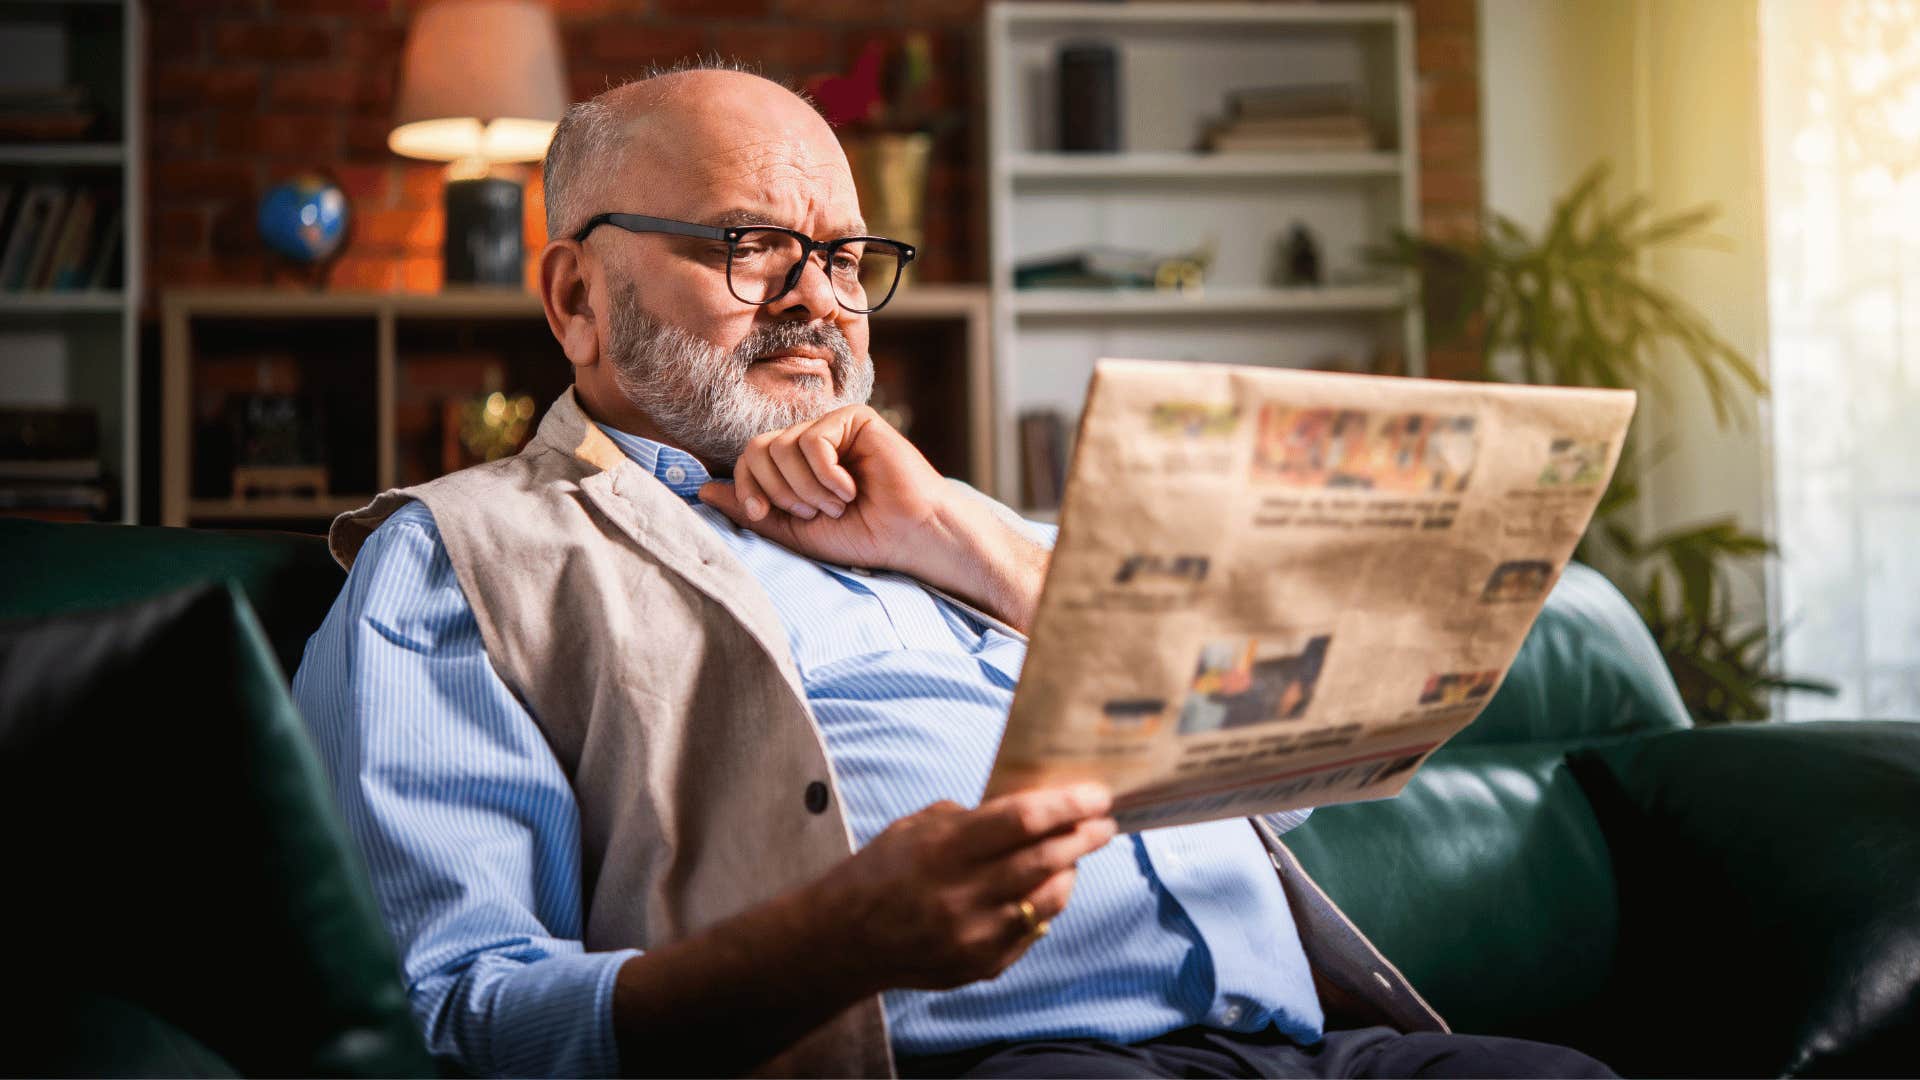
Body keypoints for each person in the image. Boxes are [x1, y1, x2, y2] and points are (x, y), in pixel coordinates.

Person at [292, 63, 1615, 1080]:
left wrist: (961, 542)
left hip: (1321, 1048)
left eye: (845, 257)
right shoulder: (461, 558)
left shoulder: (941, 513)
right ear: (576, 296)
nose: (819, 297)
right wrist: (840, 941)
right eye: (753, 247)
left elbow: (1292, 783)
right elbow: (449, 1016)